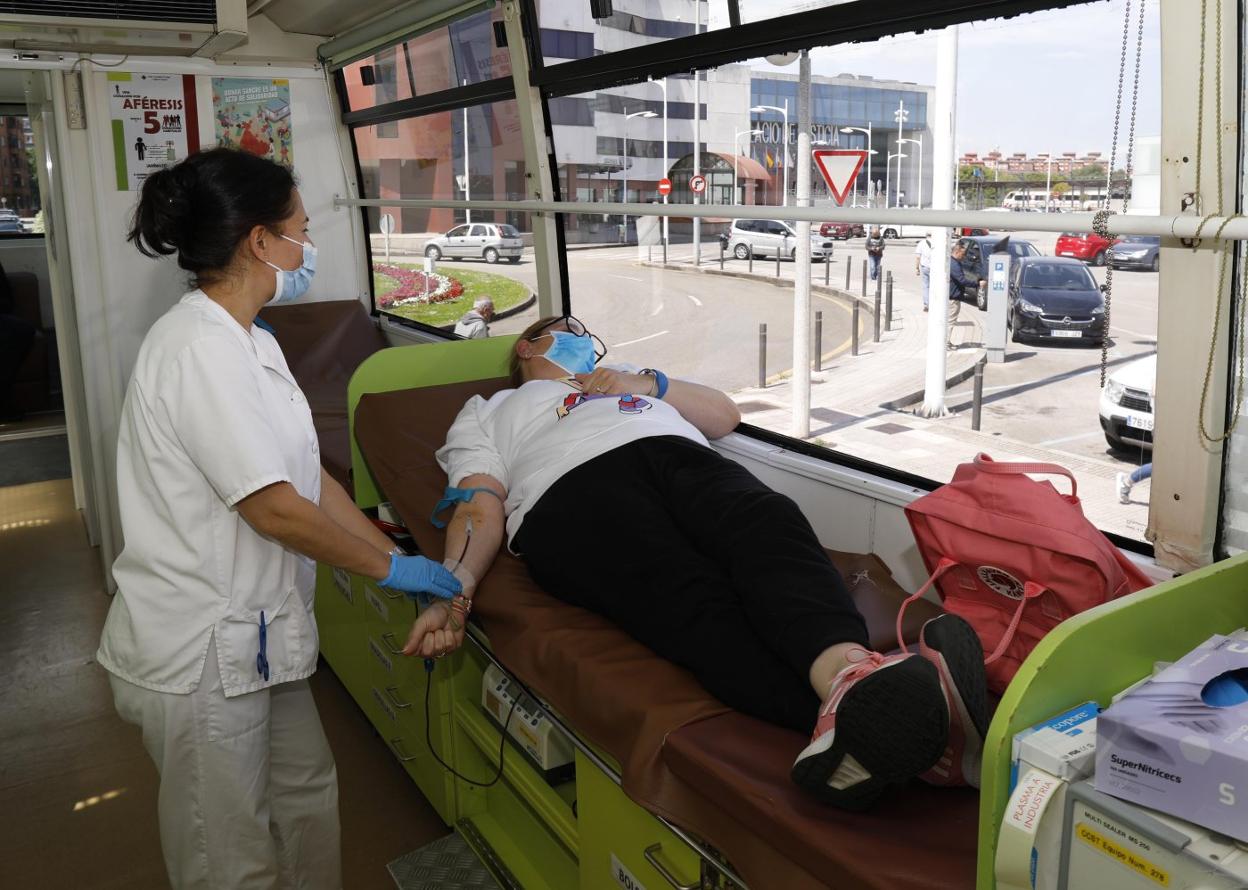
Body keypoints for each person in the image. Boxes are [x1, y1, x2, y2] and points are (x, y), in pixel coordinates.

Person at [412, 314, 989, 810]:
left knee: (768, 521)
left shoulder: (630, 381)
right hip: (564, 492)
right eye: (569, 332)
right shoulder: (491, 409)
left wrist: (641, 381)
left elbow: (724, 415)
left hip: (674, 454)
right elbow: (478, 504)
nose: (584, 342)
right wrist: (454, 588)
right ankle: (914, 740)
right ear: (527, 346)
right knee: (689, 596)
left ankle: (848, 681)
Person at [96, 147, 461, 889]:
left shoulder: (253, 340)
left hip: (261, 633)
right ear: (260, 241)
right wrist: (395, 568)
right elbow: (273, 510)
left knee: (304, 804)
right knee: (227, 855)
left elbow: (307, 483)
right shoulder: (198, 349)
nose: (308, 246)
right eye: (299, 228)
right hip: (201, 648)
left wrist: (397, 562)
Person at [915, 232, 933, 311]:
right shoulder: (937, 242)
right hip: (935, 268)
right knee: (934, 286)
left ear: (926, 235)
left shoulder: (921, 243)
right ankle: (934, 303)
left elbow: (918, 257)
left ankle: (926, 304)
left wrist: (917, 268)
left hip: (925, 267)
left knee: (926, 286)